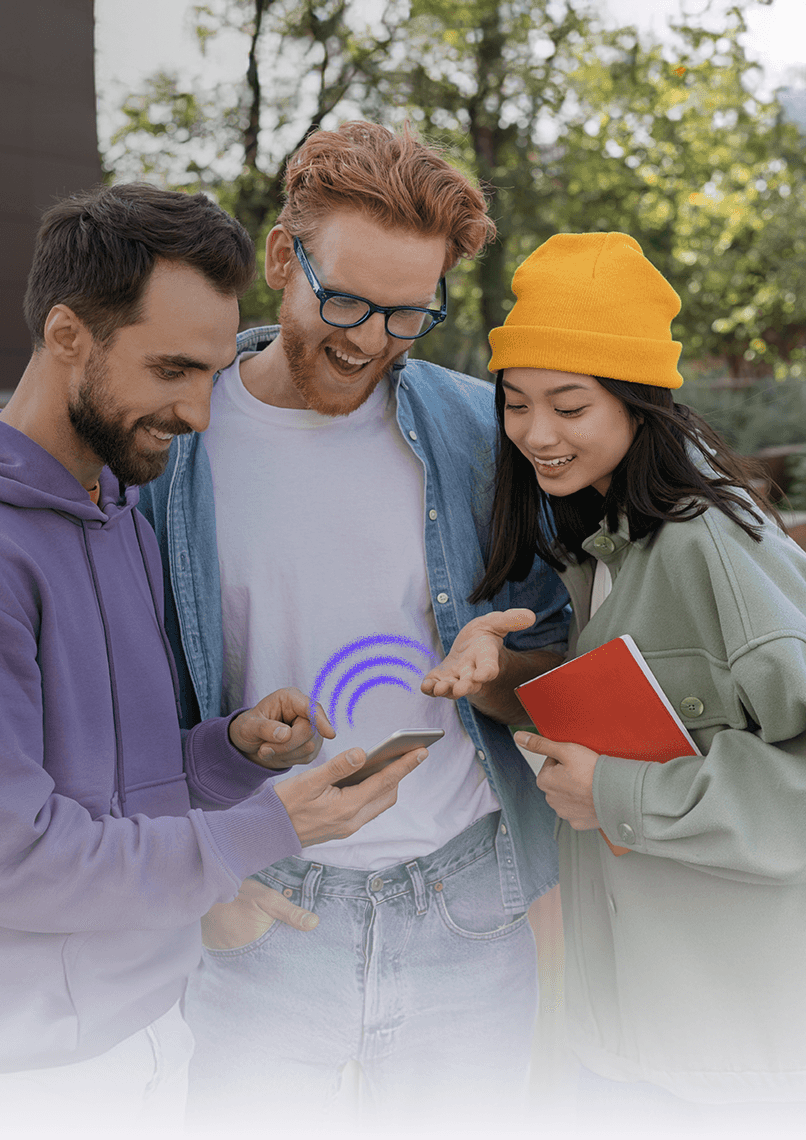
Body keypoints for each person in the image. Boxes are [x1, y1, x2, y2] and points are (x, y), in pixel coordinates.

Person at [0, 181, 426, 1134]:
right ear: (69, 335)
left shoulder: (113, 514)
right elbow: (8, 859)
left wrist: (227, 753)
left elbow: (110, 786)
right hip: (5, 1076)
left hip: (142, 1030)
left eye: (212, 376)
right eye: (172, 371)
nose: (200, 413)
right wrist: (267, 828)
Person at [137, 121, 572, 1119]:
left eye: (406, 317)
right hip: (266, 900)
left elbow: (551, 659)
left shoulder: (478, 432)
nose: (371, 340)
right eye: (346, 302)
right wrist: (205, 890)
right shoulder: (178, 446)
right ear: (285, 256)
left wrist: (497, 670)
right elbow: (131, 689)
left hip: (467, 908)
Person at [471, 231, 806, 1121]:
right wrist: (499, 676)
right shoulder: (605, 546)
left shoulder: (711, 544)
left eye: (570, 406)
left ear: (638, 403)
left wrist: (621, 794)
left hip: (723, 1062)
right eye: (515, 403)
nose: (536, 435)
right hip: (623, 1039)